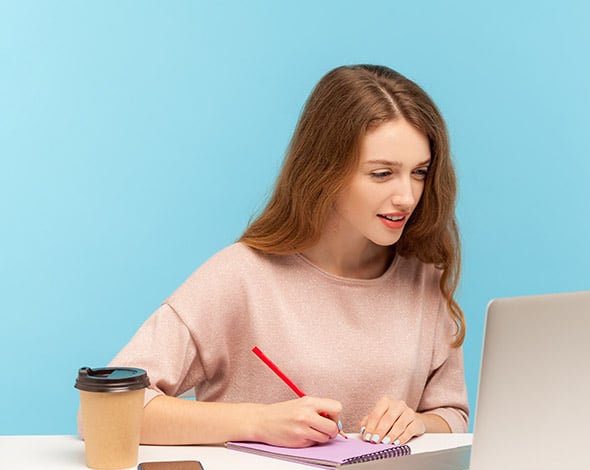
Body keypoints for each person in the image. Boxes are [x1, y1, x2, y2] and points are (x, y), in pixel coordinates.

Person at [103, 64, 469, 448]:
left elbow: (452, 415)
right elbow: (109, 409)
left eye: (420, 172)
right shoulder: (239, 277)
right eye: (382, 174)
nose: (407, 197)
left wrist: (416, 423)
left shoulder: (423, 277)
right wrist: (258, 421)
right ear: (326, 170)